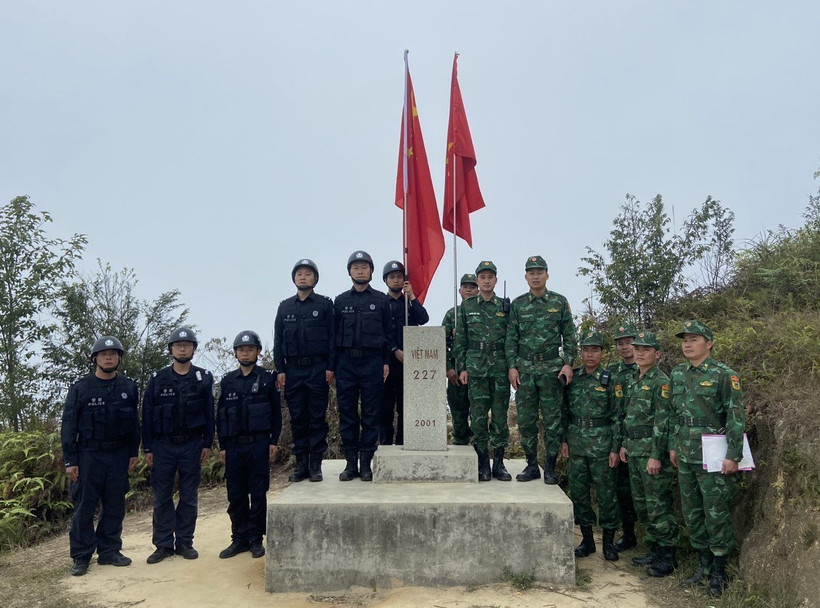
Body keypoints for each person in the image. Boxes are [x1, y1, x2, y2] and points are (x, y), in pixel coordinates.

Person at [669, 319, 745, 597]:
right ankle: (703, 563)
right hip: (685, 454)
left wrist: (733, 455)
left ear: (709, 344)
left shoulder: (724, 375)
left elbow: (735, 416)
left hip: (713, 455)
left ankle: (720, 570)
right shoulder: (678, 374)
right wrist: (673, 446)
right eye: (684, 340)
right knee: (692, 512)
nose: (687, 344)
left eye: (694, 339)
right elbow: (674, 414)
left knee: (715, 511)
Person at [61, 336, 140, 576]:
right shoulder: (81, 388)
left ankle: (109, 551)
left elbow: (134, 424)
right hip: (89, 455)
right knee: (85, 506)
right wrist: (70, 460)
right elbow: (69, 425)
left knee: (115, 505)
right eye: (104, 354)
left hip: (118, 455)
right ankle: (81, 555)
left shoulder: (128, 387)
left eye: (113, 354)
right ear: (95, 358)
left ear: (119, 359)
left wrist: (133, 452)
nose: (108, 358)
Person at [142, 327, 214, 564]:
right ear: (171, 349)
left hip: (191, 444)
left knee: (189, 495)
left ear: (193, 349)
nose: (182, 349)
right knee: (162, 496)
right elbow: (147, 414)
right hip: (163, 445)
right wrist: (148, 447)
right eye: (178, 345)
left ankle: (184, 541)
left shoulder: (203, 377)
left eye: (187, 345)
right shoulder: (158, 379)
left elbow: (209, 413)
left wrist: (207, 443)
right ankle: (163, 544)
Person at [506, 255, 577, 484]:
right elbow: (511, 338)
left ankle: (551, 467)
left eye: (539, 272)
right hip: (525, 371)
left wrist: (568, 363)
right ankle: (531, 465)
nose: (535, 276)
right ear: (525, 277)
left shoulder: (559, 302)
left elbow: (570, 336)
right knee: (526, 421)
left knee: (552, 420)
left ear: (547, 275)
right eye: (531, 273)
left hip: (551, 370)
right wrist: (512, 366)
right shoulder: (518, 304)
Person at [216, 330, 281, 559]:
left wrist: (274, 441)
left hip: (259, 444)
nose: (245, 353)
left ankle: (255, 539)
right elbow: (221, 415)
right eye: (241, 350)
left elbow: (276, 413)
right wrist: (223, 446)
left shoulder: (267, 378)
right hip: (234, 446)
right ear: (236, 353)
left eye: (250, 349)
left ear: (258, 352)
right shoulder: (227, 380)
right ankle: (239, 538)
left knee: (258, 493)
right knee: (236, 494)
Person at [618, 331, 678, 576]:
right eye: (637, 349)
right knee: (642, 504)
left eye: (646, 349)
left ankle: (668, 555)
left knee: (658, 505)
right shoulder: (634, 378)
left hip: (651, 453)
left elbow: (663, 422)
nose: (640, 353)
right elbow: (629, 416)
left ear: (658, 354)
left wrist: (655, 455)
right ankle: (654, 548)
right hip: (634, 450)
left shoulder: (661, 382)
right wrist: (624, 444)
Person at [334, 250, 394, 481]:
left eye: (364, 267)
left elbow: (388, 335)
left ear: (371, 271)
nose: (360, 271)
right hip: (346, 364)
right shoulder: (340, 301)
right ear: (349, 271)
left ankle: (367, 463)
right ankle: (351, 463)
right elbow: (333, 336)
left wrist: (386, 362)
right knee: (348, 414)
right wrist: (333, 366)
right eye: (356, 267)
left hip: (372, 363)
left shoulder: (381, 300)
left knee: (371, 415)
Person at [274, 258, 335, 482]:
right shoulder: (285, 307)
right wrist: (280, 369)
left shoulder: (324, 305)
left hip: (317, 369)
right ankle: (301, 464)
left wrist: (331, 367)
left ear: (315, 279)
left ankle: (315, 464)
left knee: (317, 418)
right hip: (293, 370)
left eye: (308, 274)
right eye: (299, 274)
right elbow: (278, 340)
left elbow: (332, 338)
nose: (303, 277)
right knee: (298, 418)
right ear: (294, 278)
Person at [565, 330, 621, 562]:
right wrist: (563, 440)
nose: (590, 355)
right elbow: (564, 411)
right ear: (581, 353)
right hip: (577, 444)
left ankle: (608, 542)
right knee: (579, 493)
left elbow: (617, 416)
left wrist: (615, 448)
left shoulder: (610, 379)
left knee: (607, 494)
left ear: (602, 353)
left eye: (595, 350)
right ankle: (587, 540)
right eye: (586, 350)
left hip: (602, 445)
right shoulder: (573, 378)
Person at [455, 260, 511, 482]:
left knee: (500, 418)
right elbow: (461, 340)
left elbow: (511, 339)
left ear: (496, 280)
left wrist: (512, 367)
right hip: (476, 369)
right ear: (478, 281)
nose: (486, 281)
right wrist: (462, 368)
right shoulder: (467, 307)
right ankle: (482, 464)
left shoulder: (505, 306)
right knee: (478, 419)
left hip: (499, 369)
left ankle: (498, 463)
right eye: (483, 277)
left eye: (490, 277)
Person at [380, 259, 429, 445]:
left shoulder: (409, 303)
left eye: (399, 277)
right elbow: (380, 332)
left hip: (408, 363)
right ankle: (385, 445)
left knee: (405, 407)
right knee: (385, 407)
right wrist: (394, 350)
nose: (396, 280)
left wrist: (412, 297)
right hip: (386, 361)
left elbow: (423, 319)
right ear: (385, 280)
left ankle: (403, 443)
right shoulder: (380, 302)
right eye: (392, 277)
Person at [608, 323, 640, 551]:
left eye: (629, 342)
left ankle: (654, 540)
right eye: (620, 343)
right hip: (618, 438)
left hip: (641, 440)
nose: (625, 347)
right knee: (622, 490)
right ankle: (628, 535)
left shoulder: (645, 369)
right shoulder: (611, 372)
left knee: (644, 492)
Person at [442, 273, 478, 445]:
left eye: (472, 287)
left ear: (478, 290)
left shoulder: (482, 313)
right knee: (459, 417)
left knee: (479, 418)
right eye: (465, 287)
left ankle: (480, 454)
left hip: (479, 373)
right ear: (460, 290)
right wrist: (448, 368)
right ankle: (461, 450)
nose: (469, 290)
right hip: (456, 374)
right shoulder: (452, 315)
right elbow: (441, 343)